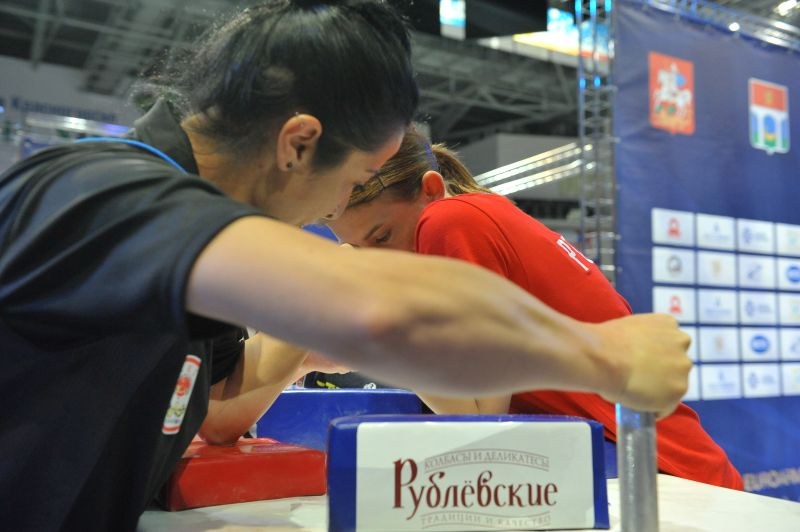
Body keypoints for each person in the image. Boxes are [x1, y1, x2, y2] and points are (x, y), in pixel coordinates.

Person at [0, 1, 692, 529]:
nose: (337, 217)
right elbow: (381, 312)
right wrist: (601, 352)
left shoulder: (174, 249)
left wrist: (301, 342)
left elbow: (216, 404)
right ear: (298, 144)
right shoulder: (99, 191)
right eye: (357, 173)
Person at [327, 126, 743, 490]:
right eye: (357, 250)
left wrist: (374, 323)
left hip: (664, 480)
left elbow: (480, 418)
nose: (375, 263)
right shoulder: (477, 214)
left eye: (381, 238)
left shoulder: (449, 220)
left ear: (432, 189)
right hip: (651, 467)